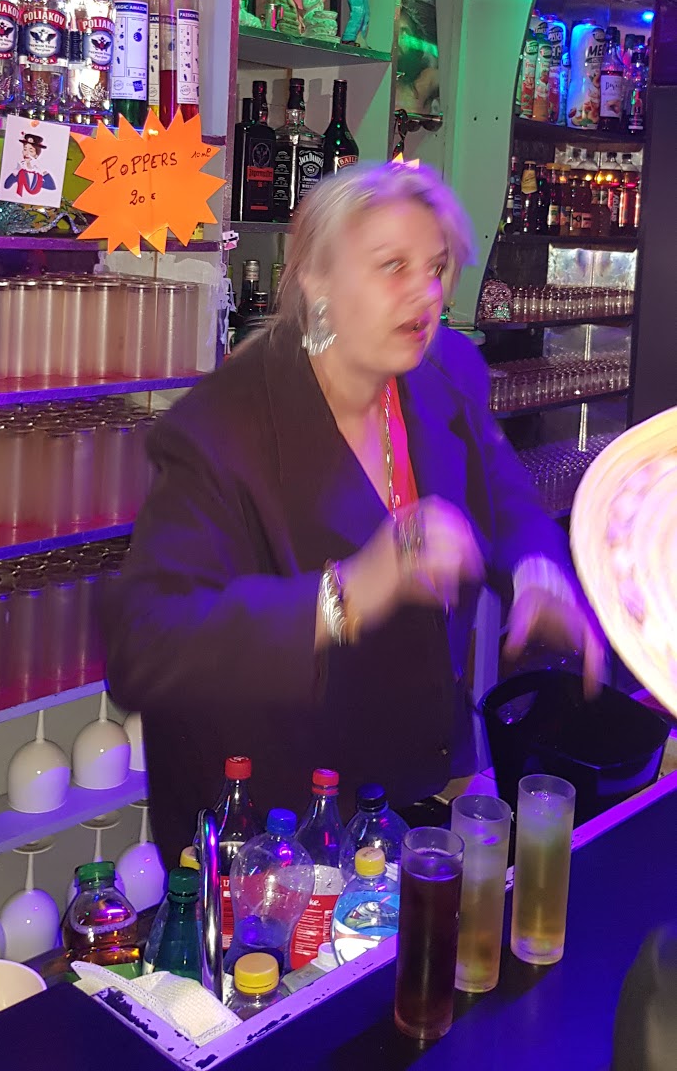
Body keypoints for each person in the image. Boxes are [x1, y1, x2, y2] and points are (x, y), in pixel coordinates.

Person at [105, 162, 603, 864]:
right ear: (316, 280)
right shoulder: (222, 428)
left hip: (411, 788)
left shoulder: (440, 372)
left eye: (436, 267)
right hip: (279, 829)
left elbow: (503, 491)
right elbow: (145, 647)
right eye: (392, 266)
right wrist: (347, 593)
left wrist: (536, 573)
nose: (426, 294)